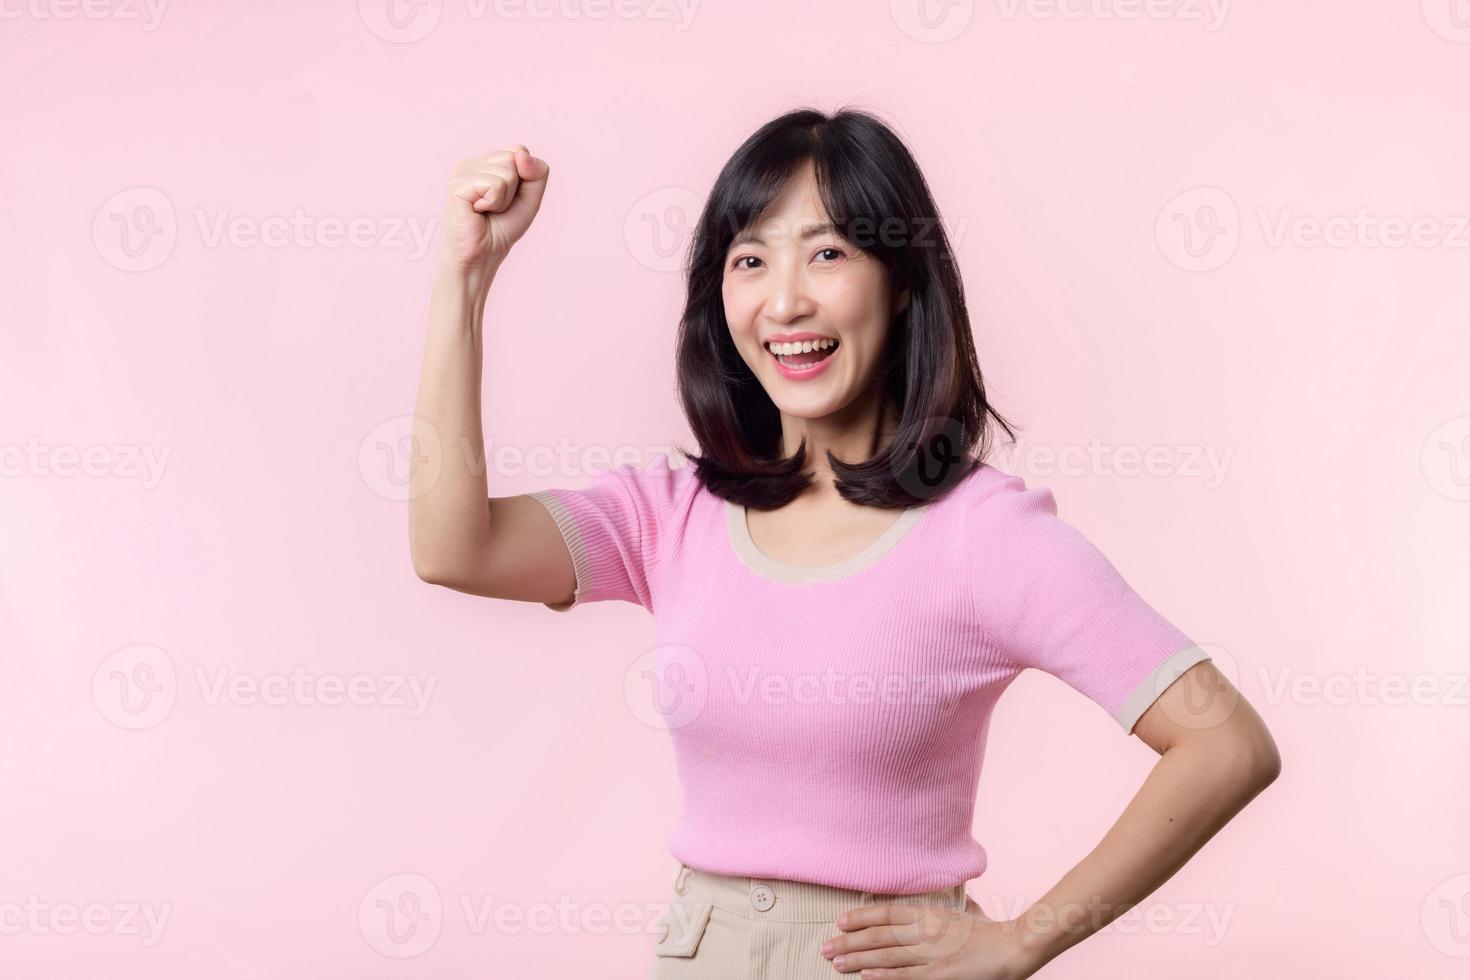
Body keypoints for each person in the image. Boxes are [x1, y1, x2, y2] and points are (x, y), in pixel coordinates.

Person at [409, 106, 1281, 980]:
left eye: (828, 253)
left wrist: (1026, 941)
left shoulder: (983, 537)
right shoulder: (672, 513)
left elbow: (1226, 745)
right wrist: (465, 278)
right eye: (750, 259)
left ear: (901, 281)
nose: (785, 300)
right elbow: (458, 550)